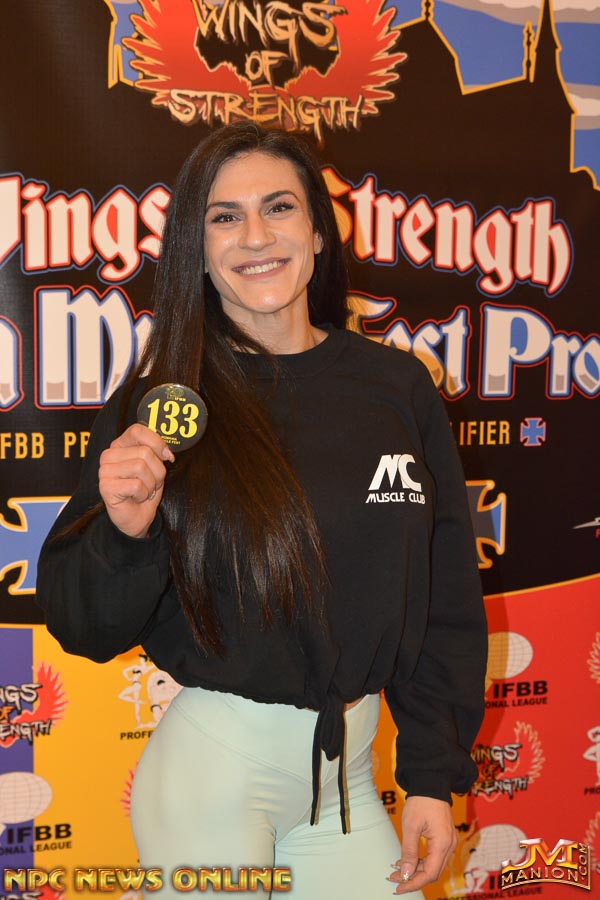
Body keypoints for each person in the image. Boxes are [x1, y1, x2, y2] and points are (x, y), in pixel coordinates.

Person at [37, 122, 487, 899]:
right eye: (225, 216)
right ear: (197, 249)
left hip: (344, 782)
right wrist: (125, 532)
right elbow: (82, 627)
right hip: (214, 777)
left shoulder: (397, 389)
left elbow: (443, 598)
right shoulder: (161, 404)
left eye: (279, 207)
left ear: (319, 230)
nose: (255, 236)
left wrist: (430, 775)